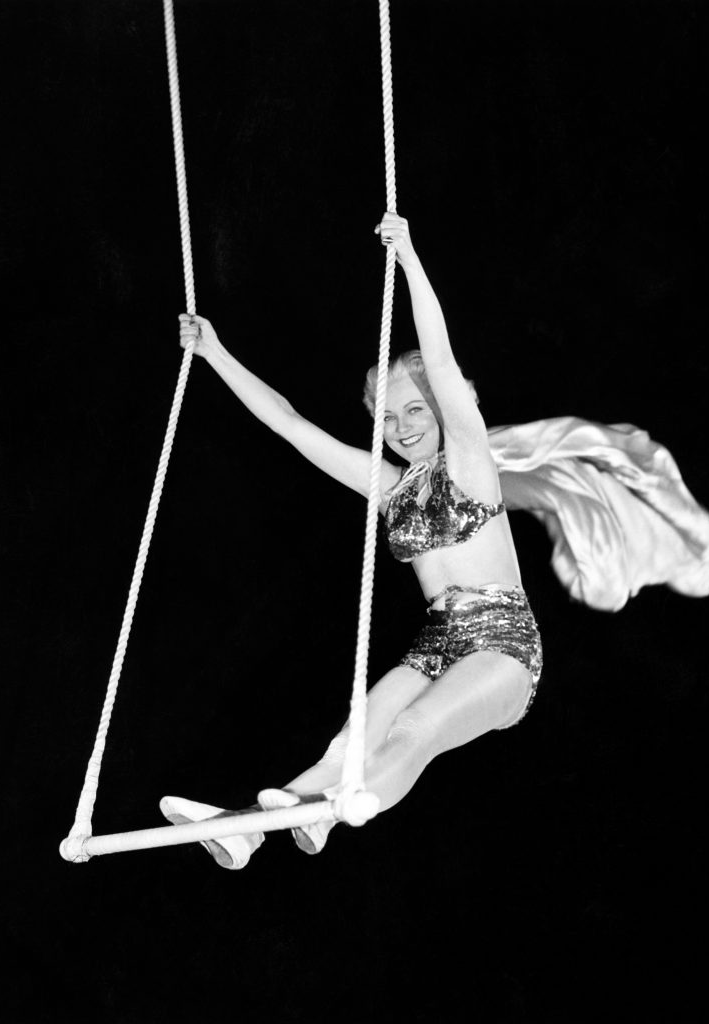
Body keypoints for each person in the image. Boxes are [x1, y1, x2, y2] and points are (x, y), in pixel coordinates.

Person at [161, 212, 542, 868]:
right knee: (344, 747)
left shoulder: (472, 462)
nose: (402, 427)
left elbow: (443, 365)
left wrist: (411, 262)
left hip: (502, 649)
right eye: (388, 418)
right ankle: (244, 830)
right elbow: (290, 425)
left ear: (445, 412)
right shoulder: (389, 487)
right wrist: (213, 353)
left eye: (416, 410)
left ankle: (347, 804)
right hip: (438, 642)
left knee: (413, 730)